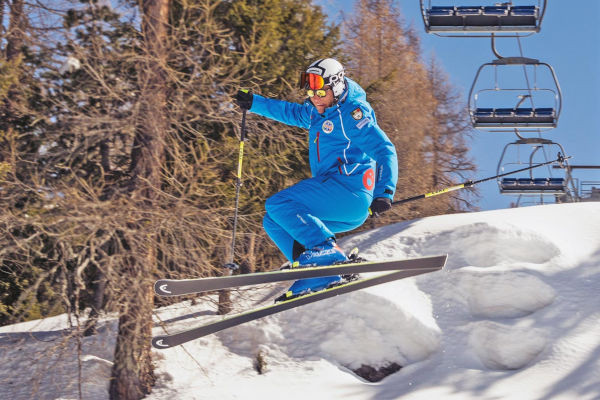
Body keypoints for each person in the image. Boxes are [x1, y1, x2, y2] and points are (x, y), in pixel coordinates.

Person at [235, 58, 398, 299]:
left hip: (349, 191)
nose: (315, 98)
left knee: (278, 204)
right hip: (337, 200)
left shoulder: (353, 114)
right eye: (311, 92)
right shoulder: (317, 112)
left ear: (338, 86)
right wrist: (254, 103)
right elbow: (289, 112)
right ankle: (318, 271)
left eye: (321, 92)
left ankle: (326, 252)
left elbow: (384, 149)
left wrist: (384, 192)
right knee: (273, 221)